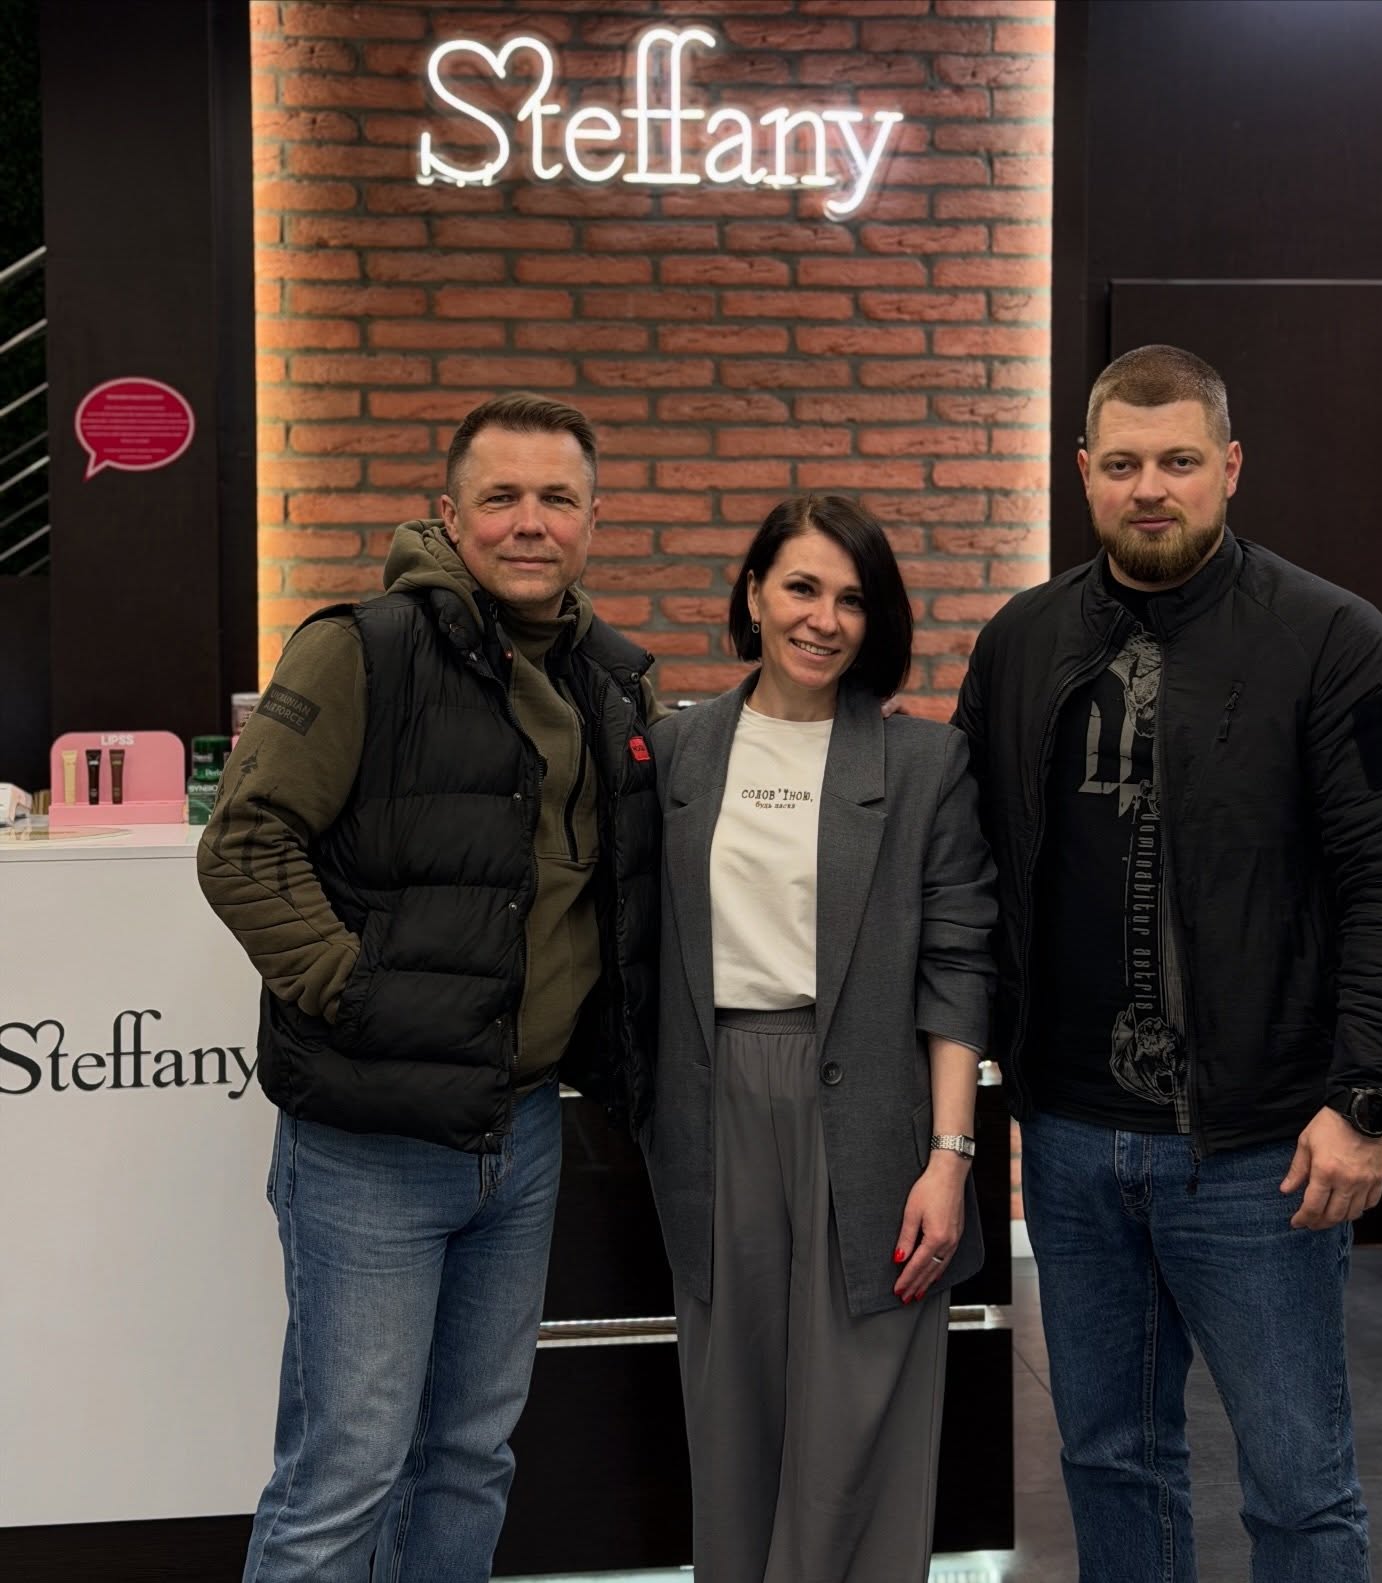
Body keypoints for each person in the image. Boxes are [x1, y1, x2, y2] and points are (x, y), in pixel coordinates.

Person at [954, 343, 1382, 1582]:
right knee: (1110, 1457)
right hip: (1071, 1139)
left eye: (1178, 461)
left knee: (1298, 1484)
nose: (1150, 488)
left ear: (1230, 465)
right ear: (1083, 472)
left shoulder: (1340, 641)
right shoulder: (1019, 642)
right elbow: (969, 863)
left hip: (1263, 1146)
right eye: (1123, 464)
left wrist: (1364, 1095)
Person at [197, 393, 662, 1583]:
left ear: (593, 519)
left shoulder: (610, 680)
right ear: (447, 514)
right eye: (499, 496)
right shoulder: (361, 648)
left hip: (523, 1131)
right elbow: (244, 845)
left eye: (557, 498)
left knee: (470, 1454)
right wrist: (358, 996)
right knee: (346, 1470)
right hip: (371, 1138)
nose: (529, 521)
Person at [644, 494, 997, 1583]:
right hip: (714, 1106)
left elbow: (956, 967)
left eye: (852, 599)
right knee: (733, 1417)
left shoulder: (925, 763)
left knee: (860, 1423)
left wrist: (950, 1156)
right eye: (801, 587)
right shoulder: (676, 750)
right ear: (753, 593)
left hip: (875, 1108)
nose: (824, 619)